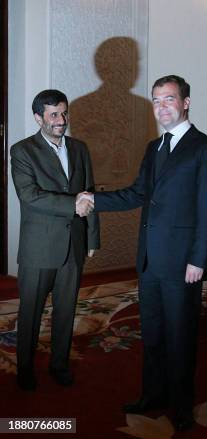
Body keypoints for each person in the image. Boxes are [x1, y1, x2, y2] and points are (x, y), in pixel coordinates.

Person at [85, 75, 207, 431]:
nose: (161, 107)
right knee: (153, 333)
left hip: (183, 263)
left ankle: (181, 407)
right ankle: (152, 394)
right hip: (149, 260)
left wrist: (199, 259)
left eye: (169, 99)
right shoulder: (154, 148)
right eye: (156, 100)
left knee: (180, 337)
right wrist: (94, 200)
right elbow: (136, 194)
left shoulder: (206, 148)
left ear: (186, 102)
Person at [10, 89, 99, 391]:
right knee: (30, 313)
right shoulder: (22, 151)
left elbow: (90, 192)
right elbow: (29, 196)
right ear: (38, 118)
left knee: (66, 310)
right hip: (38, 248)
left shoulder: (80, 148)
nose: (61, 120)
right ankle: (24, 369)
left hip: (73, 245)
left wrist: (92, 236)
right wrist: (71, 205)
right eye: (53, 115)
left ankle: (59, 365)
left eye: (64, 113)